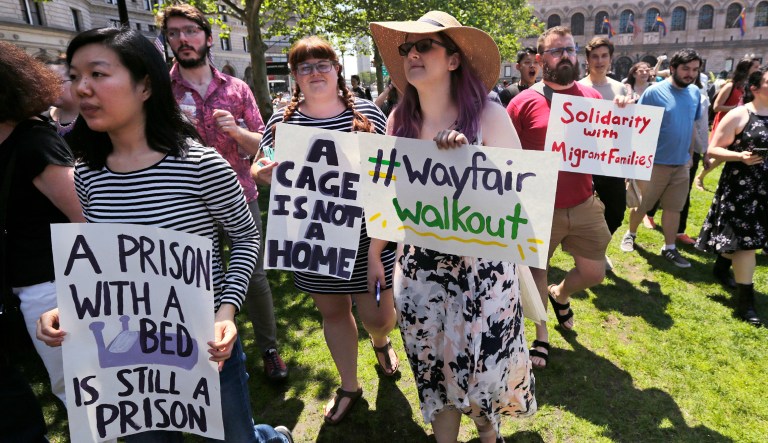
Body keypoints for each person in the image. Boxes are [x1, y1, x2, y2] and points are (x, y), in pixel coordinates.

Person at [35, 27, 292, 443]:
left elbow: (245, 239)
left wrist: (225, 313)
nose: (81, 88)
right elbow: (101, 261)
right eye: (75, 75)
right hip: (127, 356)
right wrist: (70, 306)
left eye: (98, 74)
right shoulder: (87, 174)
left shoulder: (201, 165)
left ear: (145, 86)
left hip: (206, 347)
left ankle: (271, 438)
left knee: (236, 438)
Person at [369, 11, 536, 442]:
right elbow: (388, 198)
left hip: (482, 276)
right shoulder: (397, 124)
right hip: (421, 274)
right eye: (407, 48)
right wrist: (374, 253)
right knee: (433, 370)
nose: (412, 54)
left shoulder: (489, 117)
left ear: (454, 60)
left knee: (481, 371)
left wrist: (469, 165)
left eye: (425, 45)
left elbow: (522, 201)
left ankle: (488, 434)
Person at [252, 35, 400, 425]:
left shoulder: (368, 114)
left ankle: (381, 343)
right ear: (295, 76)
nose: (314, 72)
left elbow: (389, 179)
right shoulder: (282, 120)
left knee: (381, 317)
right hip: (314, 237)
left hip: (370, 240)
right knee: (333, 312)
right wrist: (261, 173)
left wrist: (382, 251)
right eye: (305, 67)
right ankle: (349, 385)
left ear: (337, 70)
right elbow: (260, 162)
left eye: (322, 64)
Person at [159, 3, 288, 382]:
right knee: (195, 277)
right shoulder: (159, 92)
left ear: (208, 37)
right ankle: (206, 352)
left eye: (190, 31)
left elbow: (265, 148)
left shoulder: (238, 88)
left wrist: (235, 131)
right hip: (185, 204)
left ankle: (269, 349)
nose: (183, 39)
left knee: (254, 277)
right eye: (174, 33)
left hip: (241, 195)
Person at [508, 26, 611, 369]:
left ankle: (561, 293)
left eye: (569, 49)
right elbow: (506, 154)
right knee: (537, 269)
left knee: (595, 272)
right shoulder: (522, 103)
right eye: (556, 51)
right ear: (539, 60)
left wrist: (622, 120)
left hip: (583, 202)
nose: (565, 55)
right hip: (539, 209)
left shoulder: (593, 99)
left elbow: (606, 147)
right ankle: (541, 335)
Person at [0, 41, 85, 406]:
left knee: (78, 390)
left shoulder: (35, 142)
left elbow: (85, 217)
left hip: (52, 287)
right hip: (26, 287)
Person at [695, 65, 768, 326]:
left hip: (764, 191)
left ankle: (720, 267)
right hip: (742, 190)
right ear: (754, 88)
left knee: (743, 240)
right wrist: (740, 156)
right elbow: (713, 149)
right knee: (747, 245)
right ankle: (745, 303)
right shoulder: (740, 115)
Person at [620, 49, 703, 269]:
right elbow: (639, 128)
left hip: (681, 163)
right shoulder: (654, 92)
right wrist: (634, 164)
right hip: (654, 163)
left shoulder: (695, 93)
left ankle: (669, 247)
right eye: (685, 69)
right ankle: (631, 233)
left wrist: (691, 155)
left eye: (695, 70)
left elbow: (692, 126)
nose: (690, 74)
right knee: (643, 204)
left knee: (674, 207)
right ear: (673, 69)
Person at [578, 36, 632, 271]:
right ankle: (588, 252)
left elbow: (628, 127)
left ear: (610, 59)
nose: (599, 61)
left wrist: (626, 107)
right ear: (587, 60)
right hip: (583, 161)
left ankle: (597, 250)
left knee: (617, 211)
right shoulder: (579, 88)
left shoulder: (619, 88)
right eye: (595, 56)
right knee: (584, 211)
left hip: (612, 161)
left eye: (604, 56)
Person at [694, 57, 761, 191]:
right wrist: (737, 108)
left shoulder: (748, 87)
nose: (758, 70)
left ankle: (701, 176)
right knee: (721, 154)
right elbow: (716, 107)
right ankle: (700, 177)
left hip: (740, 125)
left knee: (725, 155)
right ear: (746, 69)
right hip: (725, 123)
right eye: (755, 67)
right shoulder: (730, 85)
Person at [45, 57, 80, 138]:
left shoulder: (93, 121)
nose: (49, 88)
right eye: (46, 83)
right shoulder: (41, 120)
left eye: (57, 82)